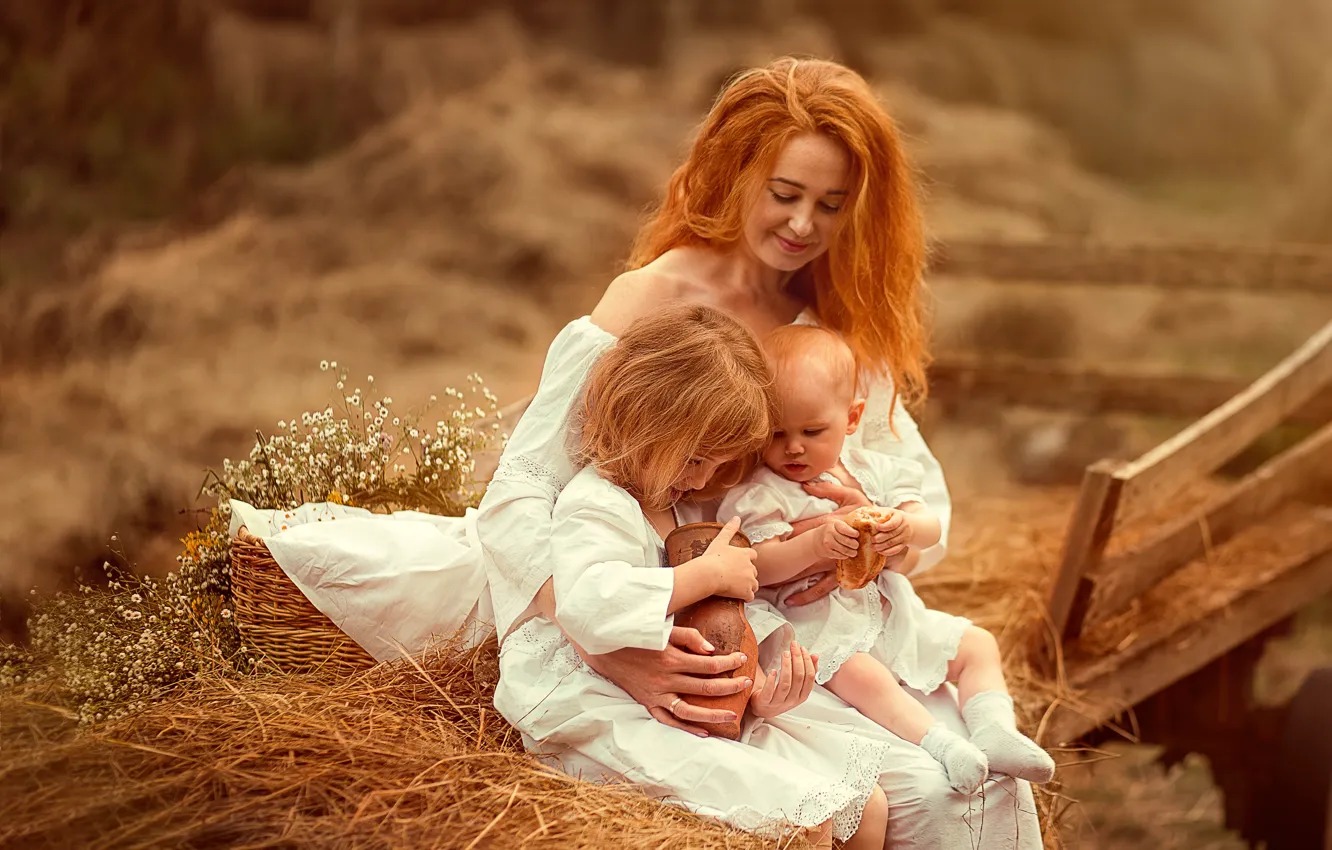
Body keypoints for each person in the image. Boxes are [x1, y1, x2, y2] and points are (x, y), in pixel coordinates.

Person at [478, 57, 1042, 848]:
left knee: (970, 788)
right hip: (658, 605)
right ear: (734, 173)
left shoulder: (827, 323)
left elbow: (915, 495)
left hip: (802, 624)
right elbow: (521, 493)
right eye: (785, 194)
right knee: (894, 793)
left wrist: (877, 526)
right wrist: (612, 651)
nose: (804, 226)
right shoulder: (652, 302)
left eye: (831, 205)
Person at [494, 305, 891, 848]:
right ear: (642, 422)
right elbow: (586, 604)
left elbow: (718, 626)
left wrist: (760, 692)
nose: (704, 478)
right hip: (597, 700)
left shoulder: (683, 509)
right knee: (805, 822)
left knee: (868, 807)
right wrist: (704, 576)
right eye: (695, 459)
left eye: (716, 464)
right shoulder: (597, 503)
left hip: (688, 699)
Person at [719, 324, 1056, 794]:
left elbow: (930, 525)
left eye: (812, 431)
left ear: (852, 418)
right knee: (864, 676)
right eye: (776, 433)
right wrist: (813, 546)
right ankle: (940, 744)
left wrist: (904, 527)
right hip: (825, 628)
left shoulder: (874, 469)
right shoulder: (760, 491)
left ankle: (994, 730)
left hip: (893, 614)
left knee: (977, 643)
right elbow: (758, 564)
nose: (793, 447)